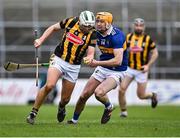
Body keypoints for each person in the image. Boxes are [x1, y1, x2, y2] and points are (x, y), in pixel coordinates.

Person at [26, 10, 97, 124]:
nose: (88, 28)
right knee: (50, 85)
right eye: (86, 26)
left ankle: (61, 107)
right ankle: (33, 113)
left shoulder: (93, 33)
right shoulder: (71, 21)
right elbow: (53, 27)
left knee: (65, 99)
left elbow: (91, 52)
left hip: (74, 66)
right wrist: (40, 40)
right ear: (80, 22)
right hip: (59, 59)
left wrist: (89, 58)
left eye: (90, 26)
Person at [67, 12, 128, 124]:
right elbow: (84, 44)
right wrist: (86, 58)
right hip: (103, 68)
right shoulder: (95, 33)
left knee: (99, 93)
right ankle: (74, 120)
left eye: (102, 22)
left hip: (117, 71)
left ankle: (109, 106)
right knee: (83, 95)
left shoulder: (117, 37)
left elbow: (118, 61)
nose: (98, 24)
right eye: (97, 21)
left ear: (109, 24)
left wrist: (96, 63)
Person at [118, 18, 159, 118]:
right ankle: (123, 112)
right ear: (133, 26)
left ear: (144, 27)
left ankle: (152, 95)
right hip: (129, 68)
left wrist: (148, 65)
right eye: (137, 25)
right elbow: (121, 50)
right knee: (121, 90)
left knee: (141, 96)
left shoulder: (147, 39)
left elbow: (155, 53)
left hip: (141, 70)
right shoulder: (128, 37)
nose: (138, 27)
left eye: (141, 26)